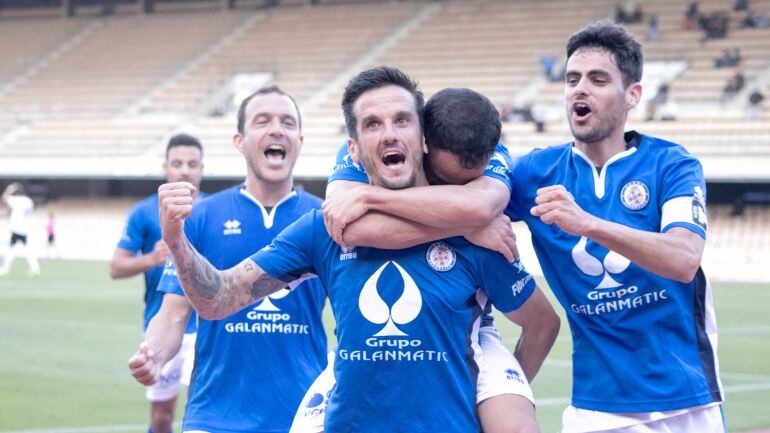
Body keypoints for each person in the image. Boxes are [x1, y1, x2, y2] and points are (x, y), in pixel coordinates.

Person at [324, 22, 726, 433]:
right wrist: (469, 225)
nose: (580, 90)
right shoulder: (536, 172)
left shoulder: (673, 164)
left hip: (686, 396)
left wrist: (586, 223)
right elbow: (452, 203)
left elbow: (683, 259)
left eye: (598, 79)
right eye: (572, 79)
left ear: (633, 95)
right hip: (597, 405)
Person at [158, 67, 559, 433]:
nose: (389, 133)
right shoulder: (324, 229)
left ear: (423, 141)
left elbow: (542, 322)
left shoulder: (479, 234)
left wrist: (499, 396)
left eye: (401, 120)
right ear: (352, 149)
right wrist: (177, 242)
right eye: (372, 124)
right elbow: (218, 298)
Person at [296, 85, 560, 433]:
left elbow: (478, 206)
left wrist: (482, 398)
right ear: (424, 144)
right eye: (445, 183)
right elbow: (349, 226)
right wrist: (464, 226)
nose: (450, 197)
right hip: (359, 352)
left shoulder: (491, 153)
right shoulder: (359, 153)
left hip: (472, 340)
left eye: (464, 186)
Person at [127, 86, 329, 433]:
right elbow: (173, 315)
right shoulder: (203, 217)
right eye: (262, 121)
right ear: (239, 140)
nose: (276, 129)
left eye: (287, 122)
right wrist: (155, 353)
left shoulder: (325, 220)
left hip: (304, 416)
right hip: (213, 415)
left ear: (300, 138)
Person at [110, 133, 205, 433]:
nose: (185, 170)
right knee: (162, 417)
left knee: (199, 413)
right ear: (166, 167)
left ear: (202, 168)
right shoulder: (143, 212)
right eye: (177, 163)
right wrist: (151, 259)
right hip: (161, 323)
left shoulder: (215, 211)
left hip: (205, 328)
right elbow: (116, 267)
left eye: (192, 163)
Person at [1, 183, 41, 277]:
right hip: (24, 229)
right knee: (27, 250)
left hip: (16, 228)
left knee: (10, 250)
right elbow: (29, 213)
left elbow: (4, 199)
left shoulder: (15, 200)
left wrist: (9, 189)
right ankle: (35, 268)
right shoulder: (28, 201)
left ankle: (5, 269)